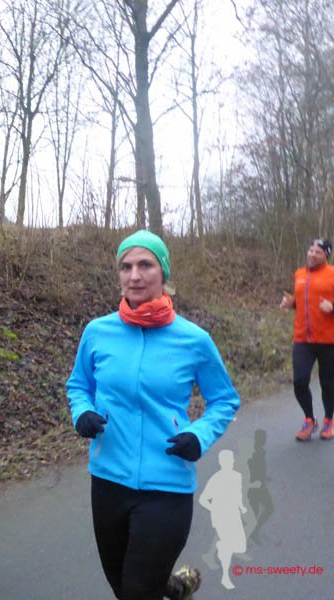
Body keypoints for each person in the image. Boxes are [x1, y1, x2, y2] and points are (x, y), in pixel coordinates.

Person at [66, 230, 240, 600]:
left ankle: (165, 586)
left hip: (167, 485)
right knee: (123, 585)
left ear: (163, 273)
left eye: (145, 265)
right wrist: (82, 412)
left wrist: (199, 435)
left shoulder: (193, 340)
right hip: (108, 481)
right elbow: (79, 385)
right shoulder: (97, 332)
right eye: (126, 266)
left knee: (137, 590)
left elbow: (225, 400)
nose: (135, 275)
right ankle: (175, 587)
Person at [279, 238, 334, 440]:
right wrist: (292, 303)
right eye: (311, 250)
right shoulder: (299, 274)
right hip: (303, 339)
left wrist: (333, 307)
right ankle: (310, 419)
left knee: (328, 384)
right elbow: (303, 302)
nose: (312, 254)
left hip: (328, 340)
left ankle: (329, 419)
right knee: (299, 382)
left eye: (318, 252)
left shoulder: (332, 274)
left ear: (326, 255)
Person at [198, 449, 247, 590]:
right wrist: (214, 509)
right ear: (221, 462)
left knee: (241, 546)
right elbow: (203, 499)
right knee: (229, 544)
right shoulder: (216, 479)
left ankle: (221, 547)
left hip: (234, 514)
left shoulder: (237, 476)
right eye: (226, 461)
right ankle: (225, 576)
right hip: (221, 516)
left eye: (231, 460)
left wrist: (241, 506)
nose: (229, 463)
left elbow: (238, 494)